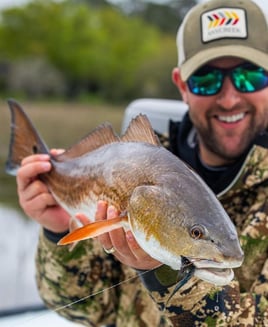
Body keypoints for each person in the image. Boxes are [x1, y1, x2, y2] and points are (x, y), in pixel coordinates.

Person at [15, 0, 268, 326]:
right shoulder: (134, 173)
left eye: (250, 77)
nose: (230, 97)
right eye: (206, 80)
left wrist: (162, 272)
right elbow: (81, 308)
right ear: (181, 85)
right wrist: (57, 229)